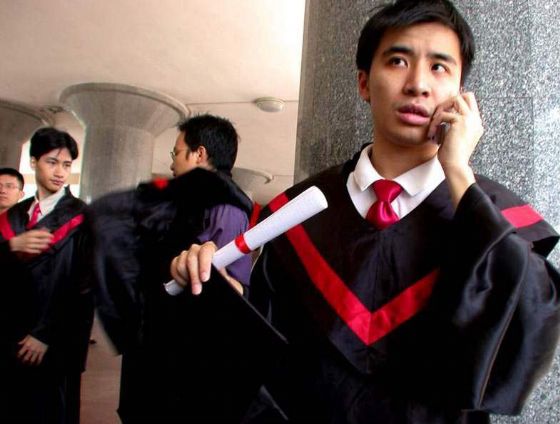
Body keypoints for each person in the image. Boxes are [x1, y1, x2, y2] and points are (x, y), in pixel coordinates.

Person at [170, 1, 560, 423]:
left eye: (439, 67)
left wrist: (459, 173)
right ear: (363, 83)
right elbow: (265, 354)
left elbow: (523, 337)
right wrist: (219, 294)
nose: (417, 84)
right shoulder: (295, 214)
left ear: (460, 94)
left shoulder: (491, 215)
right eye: (397, 61)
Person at [89, 114, 253, 423]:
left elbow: (224, 293)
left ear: (199, 154)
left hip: (180, 362)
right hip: (155, 347)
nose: (172, 163)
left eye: (176, 153)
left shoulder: (225, 206)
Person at [0, 128, 93, 423]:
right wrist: (10, 248)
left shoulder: (82, 217)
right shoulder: (13, 217)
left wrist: (45, 335)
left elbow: (85, 286)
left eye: (66, 165)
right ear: (33, 162)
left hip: (54, 343)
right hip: (12, 334)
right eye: (52, 162)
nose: (60, 172)